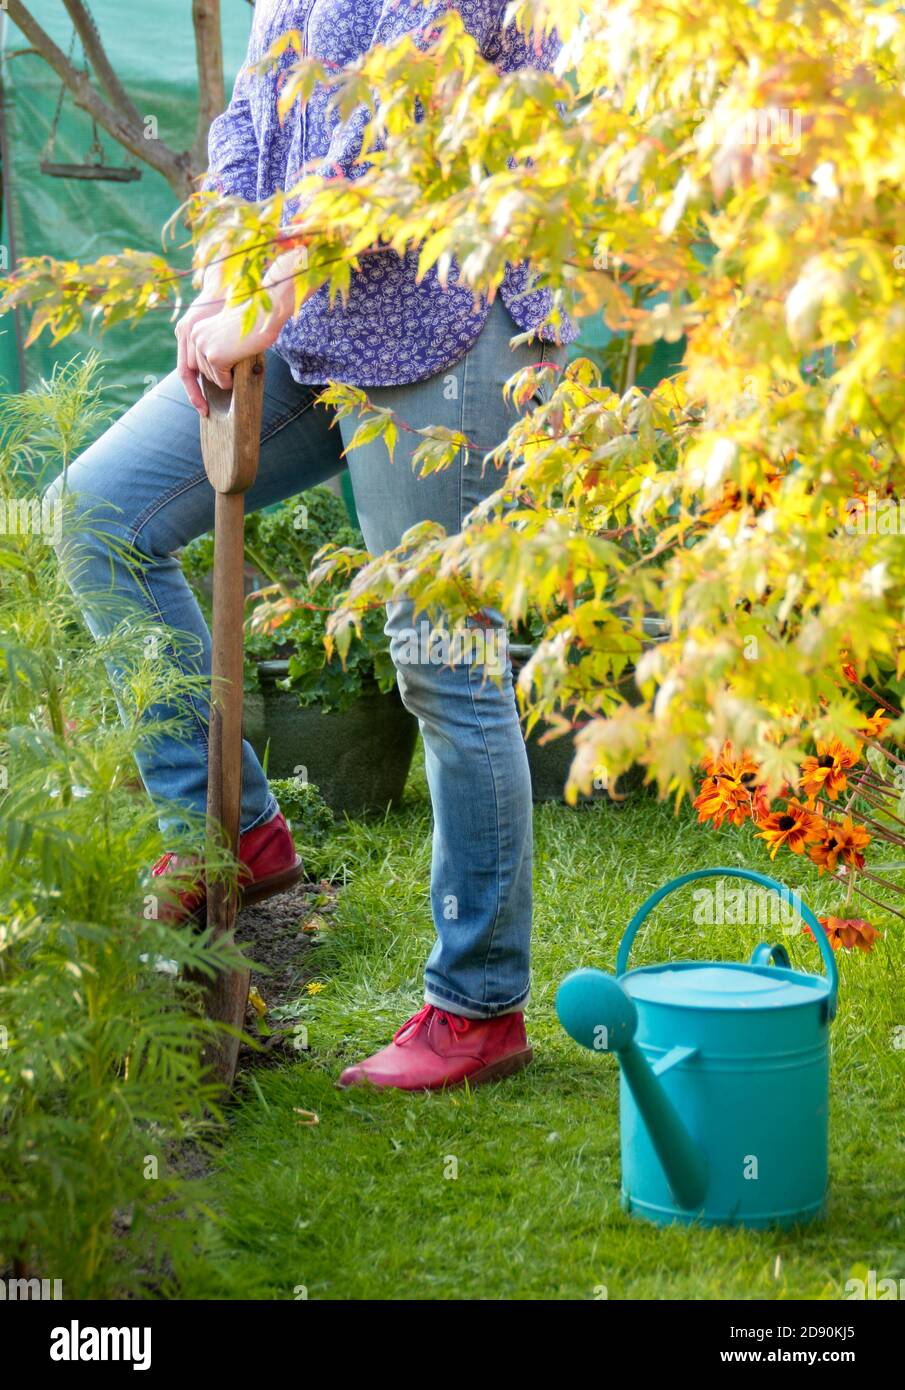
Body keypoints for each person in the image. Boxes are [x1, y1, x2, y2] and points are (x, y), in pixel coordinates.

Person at [50, 0, 574, 1091]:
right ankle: (222, 821)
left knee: (444, 657)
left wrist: (267, 291)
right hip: (315, 314)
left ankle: (477, 1008)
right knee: (100, 513)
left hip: (451, 313)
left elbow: (404, 120)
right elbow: (252, 115)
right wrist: (226, 275)